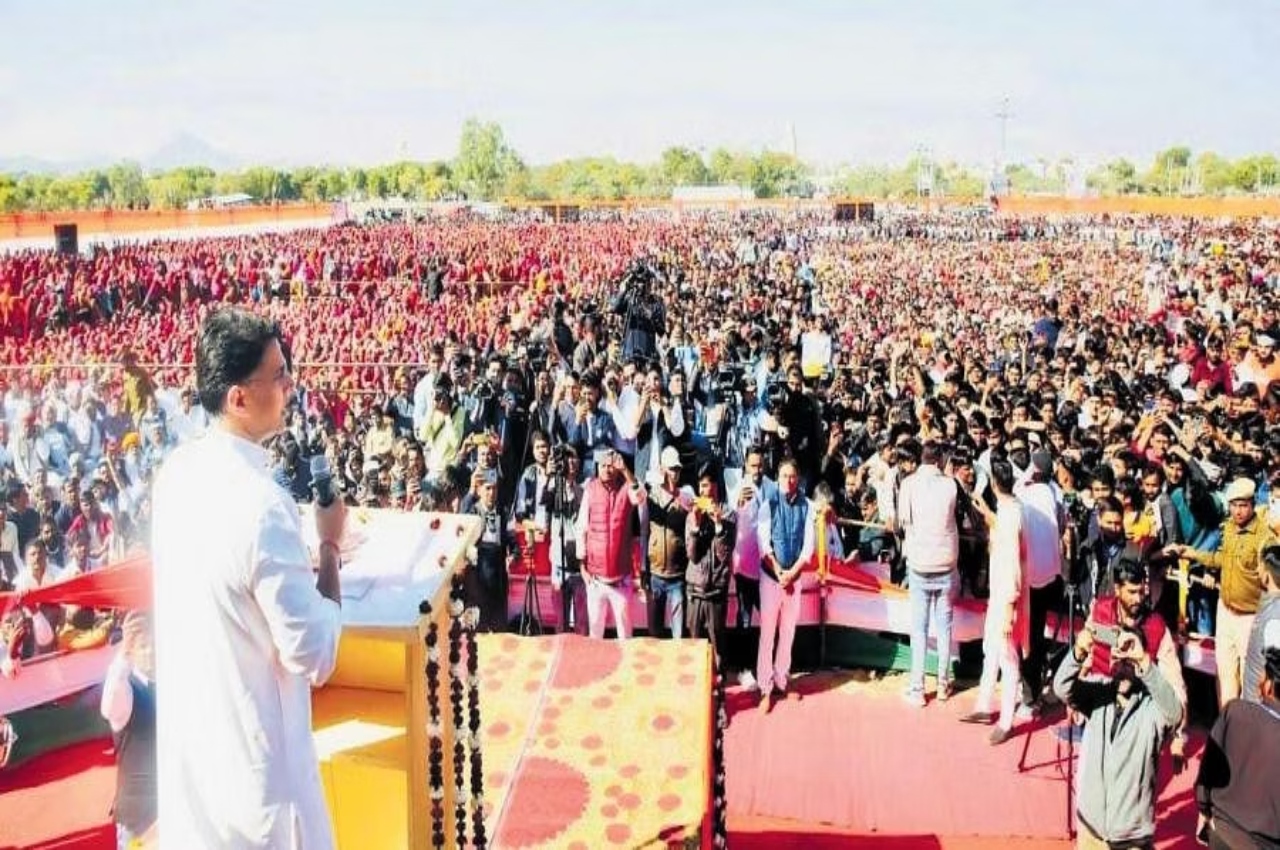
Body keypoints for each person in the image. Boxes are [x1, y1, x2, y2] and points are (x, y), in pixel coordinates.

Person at [151, 308, 347, 849]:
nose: (290, 383)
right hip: (262, 796)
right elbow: (313, 654)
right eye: (279, 373)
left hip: (199, 779)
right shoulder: (262, 505)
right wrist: (330, 546)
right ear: (238, 397)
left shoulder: (174, 476)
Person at [1053, 590, 1183, 850]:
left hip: (1131, 838)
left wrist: (1144, 661)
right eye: (1117, 655)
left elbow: (1175, 713)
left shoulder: (1151, 711)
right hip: (1090, 828)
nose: (1122, 663)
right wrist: (1079, 651)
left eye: (1129, 658)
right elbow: (1061, 687)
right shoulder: (1099, 694)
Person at [1166, 477, 1275, 706]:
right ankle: (1227, 727)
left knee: (1250, 682)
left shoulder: (1264, 538)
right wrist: (1192, 553)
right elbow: (1220, 559)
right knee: (1225, 676)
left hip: (1250, 618)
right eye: (1234, 505)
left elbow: (1271, 582)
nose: (1238, 511)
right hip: (1225, 612)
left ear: (1253, 504)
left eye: (1243, 505)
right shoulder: (1228, 529)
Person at [1194, 620, 1280, 849]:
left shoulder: (1234, 712)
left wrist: (1205, 811)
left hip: (1221, 834)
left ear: (1267, 684)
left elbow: (1206, 776)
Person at [961, 459, 1029, 745]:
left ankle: (1006, 721)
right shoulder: (1008, 509)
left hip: (1007, 598)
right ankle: (984, 704)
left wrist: (1010, 608)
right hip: (999, 593)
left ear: (993, 483)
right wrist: (988, 514)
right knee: (991, 649)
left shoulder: (1012, 514)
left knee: (1008, 657)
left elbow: (1013, 561)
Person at [897, 440, 961, 706]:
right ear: (939, 460)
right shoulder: (950, 485)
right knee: (944, 628)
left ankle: (917, 687)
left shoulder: (909, 484)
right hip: (946, 562)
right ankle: (944, 685)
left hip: (920, 562)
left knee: (919, 629)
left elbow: (903, 521)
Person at [755, 458, 814, 713]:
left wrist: (792, 573)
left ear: (798, 478)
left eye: (792, 476)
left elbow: (808, 545)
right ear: (778, 478)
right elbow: (763, 542)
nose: (788, 481)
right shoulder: (769, 502)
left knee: (788, 631)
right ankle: (765, 687)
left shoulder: (807, 505)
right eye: (784, 476)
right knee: (768, 632)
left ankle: (782, 679)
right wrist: (780, 571)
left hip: (794, 578)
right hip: (771, 578)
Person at [99, 611, 157, 850]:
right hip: (137, 818)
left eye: (154, 645)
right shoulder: (126, 690)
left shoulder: (172, 686)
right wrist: (123, 653)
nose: (151, 652)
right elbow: (108, 706)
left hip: (173, 810)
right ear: (131, 652)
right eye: (143, 646)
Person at [575, 447, 646, 639]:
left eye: (610, 466)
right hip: (596, 581)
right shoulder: (590, 489)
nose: (607, 469)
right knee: (595, 634)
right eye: (603, 466)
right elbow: (581, 528)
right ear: (597, 467)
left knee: (625, 636)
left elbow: (640, 496)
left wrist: (625, 470)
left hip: (621, 580)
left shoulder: (625, 488)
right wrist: (582, 567)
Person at [685, 469, 735, 673]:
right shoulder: (692, 515)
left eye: (708, 485)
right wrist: (696, 527)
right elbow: (692, 555)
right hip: (695, 589)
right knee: (694, 643)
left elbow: (724, 555)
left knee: (718, 645)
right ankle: (696, 687)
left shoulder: (729, 514)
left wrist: (718, 525)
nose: (705, 491)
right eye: (702, 486)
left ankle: (719, 690)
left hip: (716, 591)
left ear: (716, 487)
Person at [1241, 543, 1280, 705]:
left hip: (1261, 707)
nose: (1257, 571)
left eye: (1260, 567)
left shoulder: (1274, 618)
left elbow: (1274, 674)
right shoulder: (1269, 604)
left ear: (1266, 575)